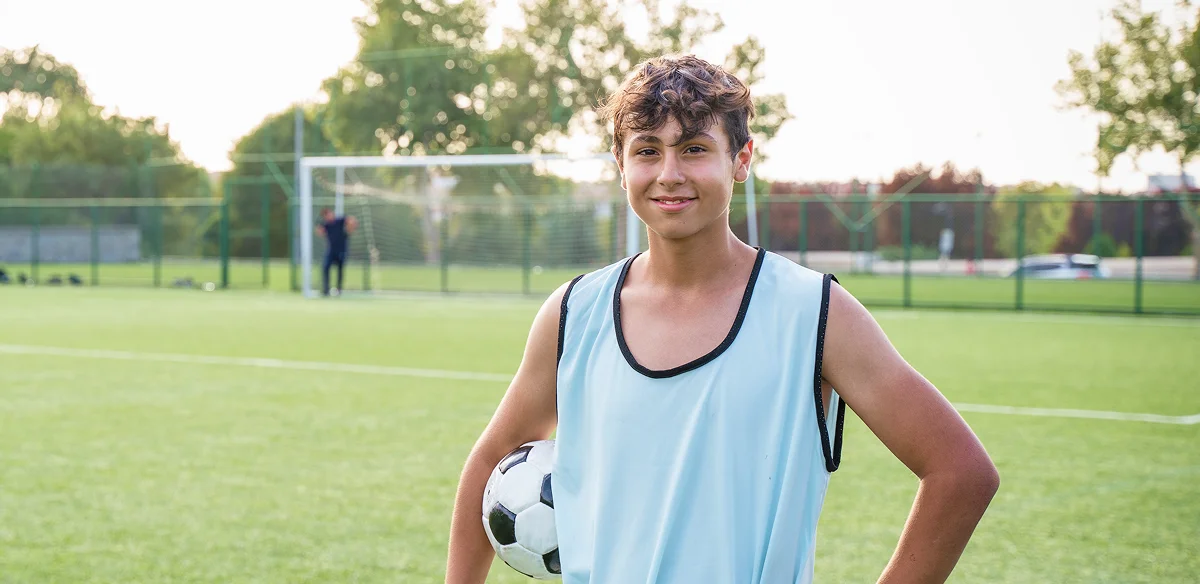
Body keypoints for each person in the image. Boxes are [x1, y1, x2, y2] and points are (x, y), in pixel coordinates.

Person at [446, 55, 999, 584]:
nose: (669, 174)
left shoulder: (813, 312)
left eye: (693, 149)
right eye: (646, 151)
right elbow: (492, 460)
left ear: (741, 159)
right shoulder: (574, 314)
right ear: (620, 165)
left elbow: (960, 472)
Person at [315, 208, 356, 296]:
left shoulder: (340, 221)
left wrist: (350, 228)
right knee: (326, 267)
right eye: (326, 215)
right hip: (331, 251)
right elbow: (320, 233)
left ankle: (339, 289)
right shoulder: (326, 225)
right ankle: (326, 289)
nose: (328, 216)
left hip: (341, 250)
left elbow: (352, 220)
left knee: (340, 269)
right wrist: (319, 228)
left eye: (329, 214)